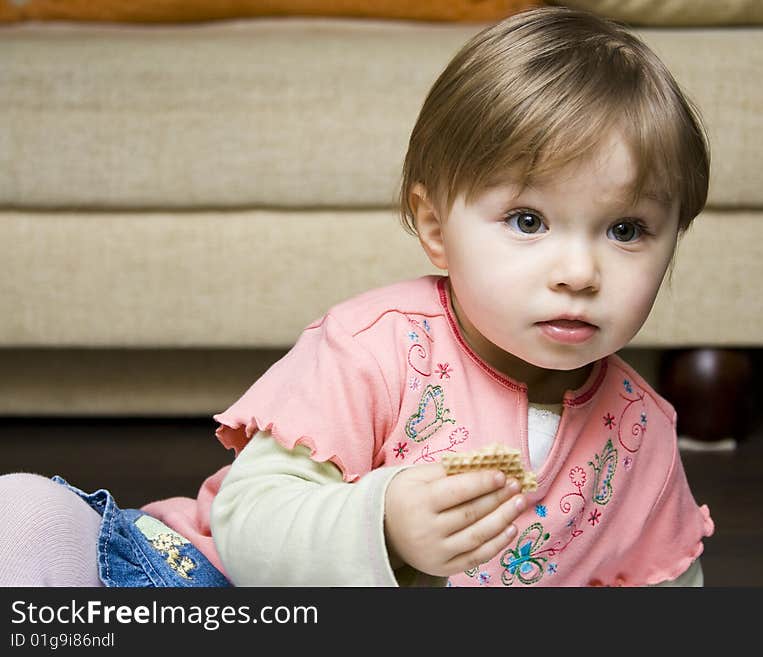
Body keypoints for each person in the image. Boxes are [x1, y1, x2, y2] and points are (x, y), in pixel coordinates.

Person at [0, 6, 713, 588]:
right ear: (436, 228)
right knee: (28, 520)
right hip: (212, 584)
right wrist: (385, 523)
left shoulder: (641, 434)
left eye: (627, 229)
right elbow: (251, 522)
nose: (579, 271)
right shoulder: (377, 346)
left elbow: (663, 585)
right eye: (528, 221)